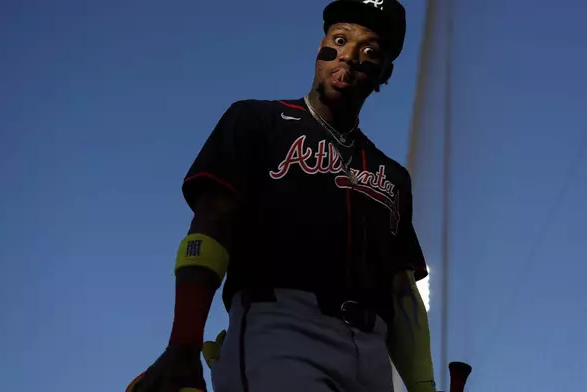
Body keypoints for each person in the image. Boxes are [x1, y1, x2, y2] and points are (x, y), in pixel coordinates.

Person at [126, 0, 436, 391]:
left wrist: (424, 386)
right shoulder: (258, 121)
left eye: (370, 51)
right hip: (282, 328)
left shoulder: (392, 175)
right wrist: (182, 347)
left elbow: (401, 291)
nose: (349, 56)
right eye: (339, 40)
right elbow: (212, 224)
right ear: (319, 48)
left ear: (384, 74)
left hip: (372, 353)